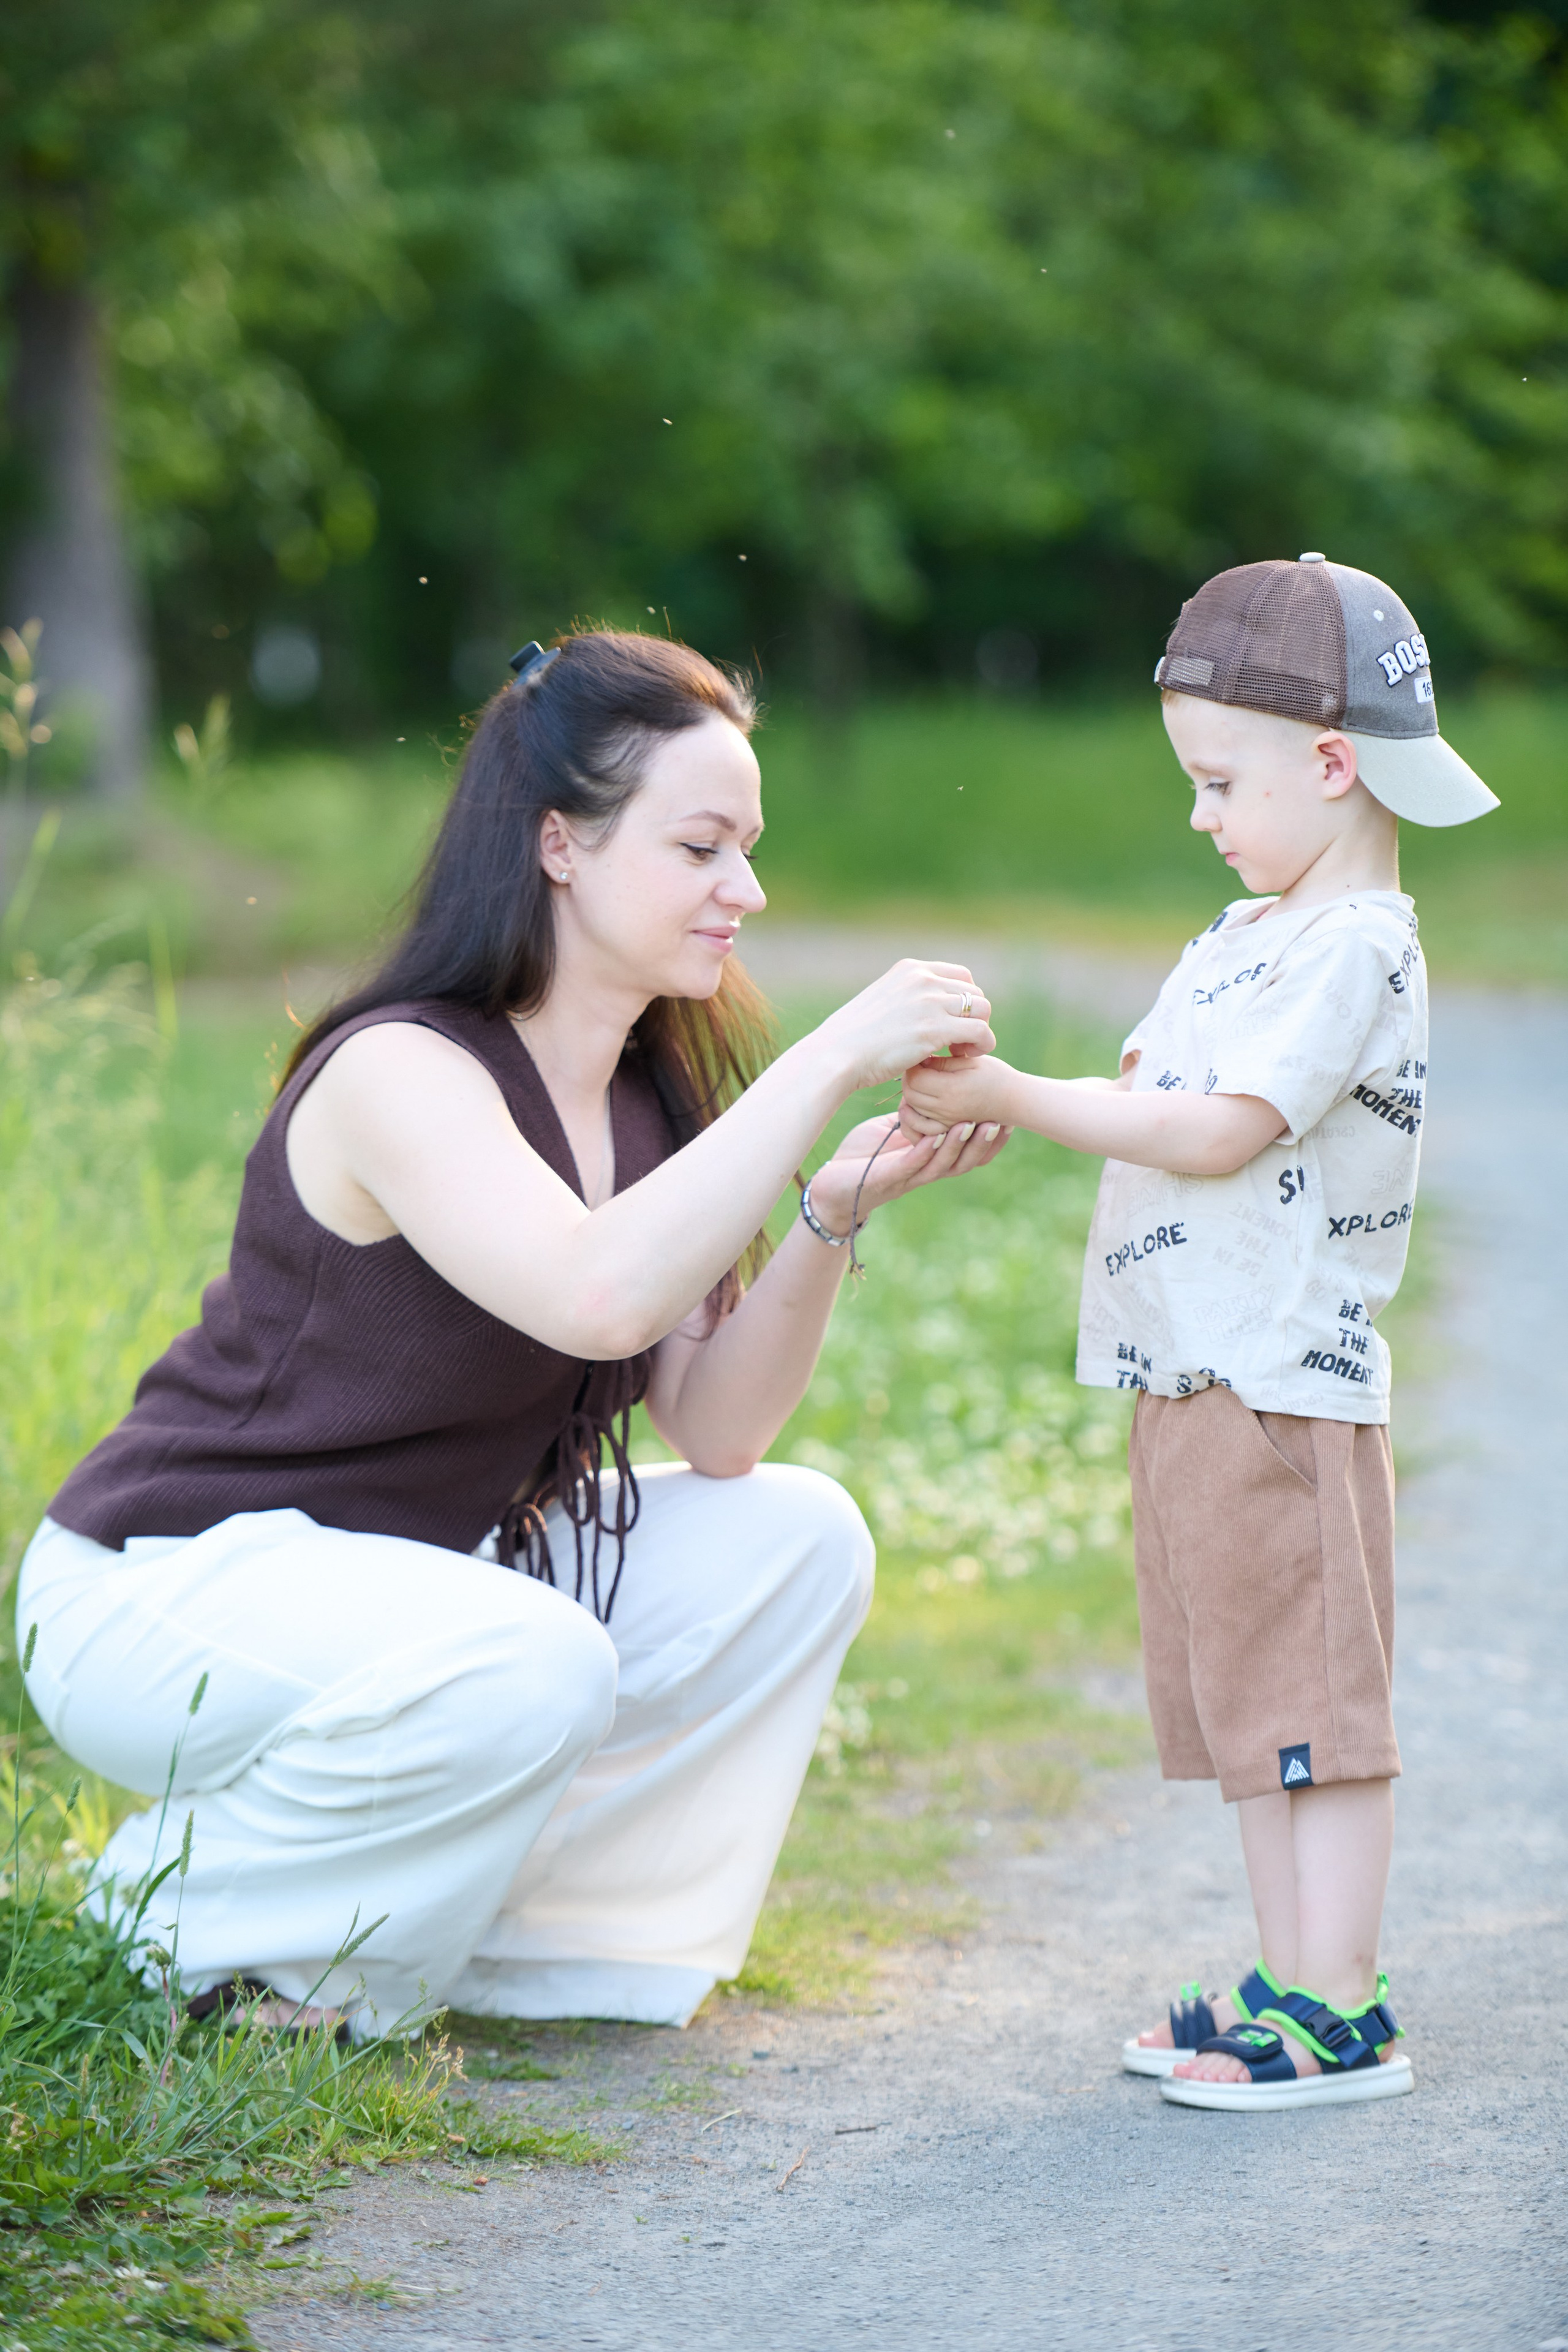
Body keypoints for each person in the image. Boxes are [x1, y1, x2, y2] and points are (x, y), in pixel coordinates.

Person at [17, 627, 1007, 2040]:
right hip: (166, 1591)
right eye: (702, 848)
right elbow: (591, 1294)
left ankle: (520, 1945)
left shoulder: (647, 1104)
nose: (749, 890)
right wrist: (833, 1053)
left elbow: (718, 1428)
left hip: (418, 1591)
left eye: (749, 848)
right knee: (533, 1656)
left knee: (799, 1538)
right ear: (561, 845)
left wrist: (829, 1210)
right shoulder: (400, 1068)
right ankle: (172, 1939)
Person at [899, 554, 1498, 2109]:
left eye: (1217, 779)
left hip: (1281, 1383)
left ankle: (1343, 2006)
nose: (1197, 814)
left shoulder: (1355, 943)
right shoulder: (1245, 933)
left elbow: (1216, 1130)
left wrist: (1020, 1101)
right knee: (1246, 1702)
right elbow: (1155, 1091)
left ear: (1327, 761)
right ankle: (1286, 1973)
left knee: (1314, 1706)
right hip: (1187, 1374)